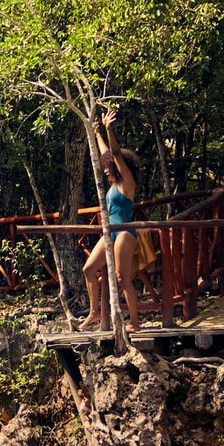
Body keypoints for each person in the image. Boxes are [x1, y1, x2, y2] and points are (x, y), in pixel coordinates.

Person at [77, 112, 143, 332]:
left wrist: (108, 128)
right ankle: (94, 312)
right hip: (110, 232)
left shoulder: (127, 184)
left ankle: (134, 322)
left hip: (124, 232)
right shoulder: (114, 185)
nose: (105, 171)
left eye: (108, 168)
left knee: (122, 278)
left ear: (117, 168)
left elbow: (114, 153)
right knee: (88, 269)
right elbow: (106, 153)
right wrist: (96, 132)